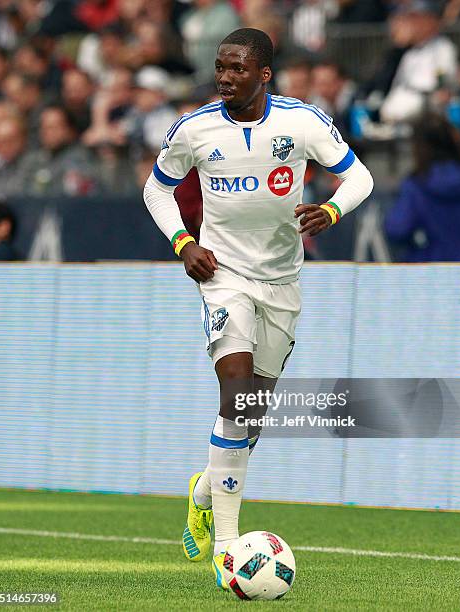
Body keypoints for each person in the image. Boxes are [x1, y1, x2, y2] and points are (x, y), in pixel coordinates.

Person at [143, 28, 373, 590]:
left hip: (282, 281)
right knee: (236, 395)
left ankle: (203, 491)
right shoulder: (195, 128)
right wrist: (184, 242)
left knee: (250, 418)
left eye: (238, 69)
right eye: (221, 67)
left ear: (264, 74)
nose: (225, 77)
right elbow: (156, 189)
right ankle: (227, 549)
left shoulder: (301, 122)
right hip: (223, 277)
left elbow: (359, 176)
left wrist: (332, 210)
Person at [384, 113, 460, 261]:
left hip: (431, 272)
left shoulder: (416, 185)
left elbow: (397, 230)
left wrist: (417, 247)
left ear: (419, 147)